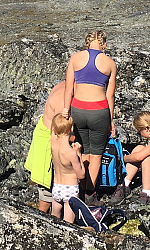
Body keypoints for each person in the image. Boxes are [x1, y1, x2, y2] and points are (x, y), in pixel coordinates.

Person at [63, 30, 117, 204]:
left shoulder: (75, 58)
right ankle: (90, 193)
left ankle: (80, 187)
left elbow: (68, 88)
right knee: (96, 154)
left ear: (86, 44)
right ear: (105, 45)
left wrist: (66, 110)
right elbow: (110, 96)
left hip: (78, 109)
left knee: (83, 150)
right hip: (99, 111)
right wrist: (111, 121)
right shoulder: (110, 63)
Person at [23, 81, 66, 213]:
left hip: (46, 134)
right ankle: (42, 218)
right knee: (46, 188)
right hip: (49, 140)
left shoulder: (63, 85)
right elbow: (61, 130)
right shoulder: (62, 97)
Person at [49, 114, 84, 223]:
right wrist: (79, 154)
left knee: (54, 217)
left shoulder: (52, 144)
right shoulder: (71, 153)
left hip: (57, 187)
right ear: (72, 128)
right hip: (70, 189)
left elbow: (54, 132)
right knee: (68, 222)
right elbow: (81, 175)